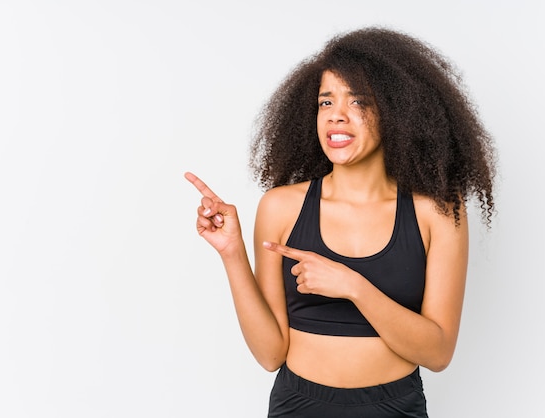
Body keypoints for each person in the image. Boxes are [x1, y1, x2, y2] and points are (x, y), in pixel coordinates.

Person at [185, 26, 496, 418]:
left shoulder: (436, 211)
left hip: (394, 407)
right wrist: (232, 253)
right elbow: (269, 354)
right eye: (325, 102)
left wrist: (353, 286)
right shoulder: (281, 207)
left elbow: (437, 353)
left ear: (396, 111)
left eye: (358, 101)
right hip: (298, 405)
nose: (337, 116)